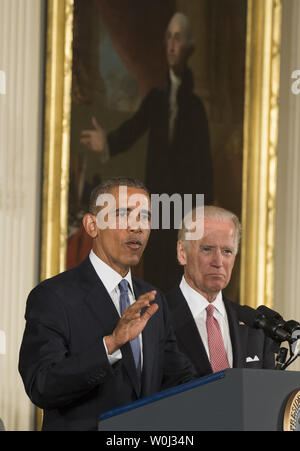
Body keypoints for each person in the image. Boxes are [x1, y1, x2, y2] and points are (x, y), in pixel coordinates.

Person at [18, 177, 196, 431]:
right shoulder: (53, 296)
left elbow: (179, 378)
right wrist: (111, 344)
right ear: (92, 226)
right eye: (124, 215)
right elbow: (42, 384)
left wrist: (233, 392)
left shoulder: (154, 299)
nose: (137, 228)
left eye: (145, 217)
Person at [80, 12, 213, 291]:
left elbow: (205, 168)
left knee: (183, 277)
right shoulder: (157, 98)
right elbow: (133, 129)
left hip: (187, 208)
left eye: (177, 38)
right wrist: (107, 142)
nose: (171, 45)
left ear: (188, 47)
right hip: (159, 203)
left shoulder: (196, 108)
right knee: (155, 273)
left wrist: (201, 216)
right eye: (168, 38)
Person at [166, 206, 277, 377]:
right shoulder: (157, 317)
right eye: (207, 249)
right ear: (182, 253)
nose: (218, 262)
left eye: (227, 251)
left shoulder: (255, 326)